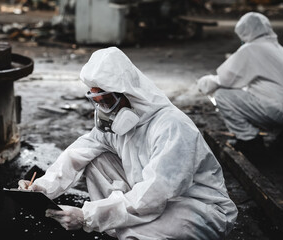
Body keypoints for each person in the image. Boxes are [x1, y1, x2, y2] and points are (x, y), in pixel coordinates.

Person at [19, 47, 238, 240]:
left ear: (129, 93)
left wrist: (86, 216)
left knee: (147, 228)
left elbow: (154, 195)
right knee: (95, 159)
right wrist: (43, 188)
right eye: (97, 102)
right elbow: (78, 153)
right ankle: (125, 225)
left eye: (107, 101)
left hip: (198, 208)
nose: (104, 110)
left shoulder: (171, 126)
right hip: (155, 200)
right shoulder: (114, 123)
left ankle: (128, 227)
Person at [197, 12, 283, 153]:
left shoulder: (251, 48)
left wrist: (203, 82)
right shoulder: (277, 48)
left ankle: (249, 139)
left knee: (222, 95)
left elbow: (225, 80)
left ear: (244, 31)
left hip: (279, 110)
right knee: (252, 92)